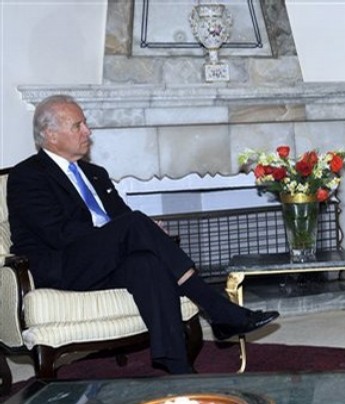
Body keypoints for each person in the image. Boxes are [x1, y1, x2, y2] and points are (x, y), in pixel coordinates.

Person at [7, 94, 279, 375]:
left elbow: (122, 217)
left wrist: (144, 232)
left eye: (85, 124)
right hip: (62, 265)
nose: (88, 131)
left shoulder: (95, 173)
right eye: (78, 126)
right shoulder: (27, 176)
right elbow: (58, 233)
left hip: (104, 261)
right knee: (136, 225)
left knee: (146, 263)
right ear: (51, 135)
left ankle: (177, 366)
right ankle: (216, 307)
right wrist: (124, 232)